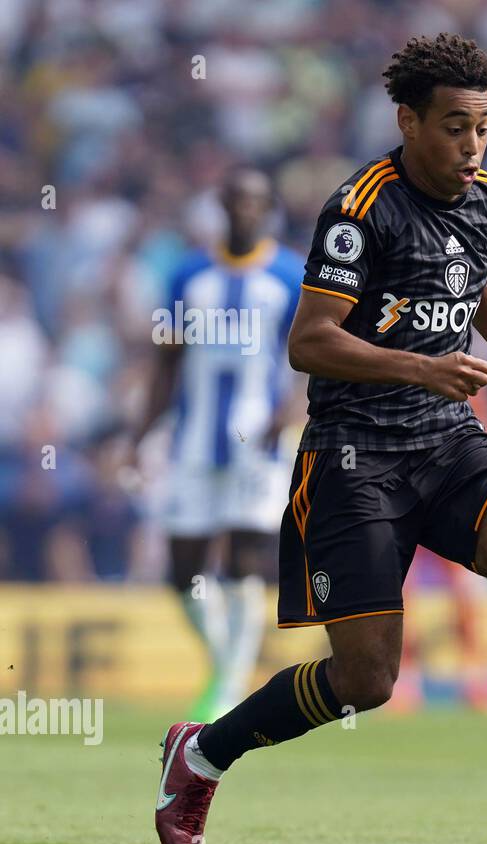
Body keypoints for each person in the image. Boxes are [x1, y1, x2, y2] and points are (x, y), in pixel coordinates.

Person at [154, 33, 487, 844]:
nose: (472, 145)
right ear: (407, 119)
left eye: (483, 127)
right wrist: (423, 364)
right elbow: (309, 343)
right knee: (366, 681)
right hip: (353, 456)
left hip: (445, 440)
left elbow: (472, 271)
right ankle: (200, 756)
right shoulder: (358, 208)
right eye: (454, 127)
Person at [132, 167, 300, 722]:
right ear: (222, 206)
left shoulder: (289, 275)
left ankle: (226, 691)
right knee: (182, 570)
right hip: (194, 444)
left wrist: (292, 409)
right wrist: (139, 433)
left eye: (255, 202)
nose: (244, 211)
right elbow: (166, 361)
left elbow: (312, 357)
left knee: (246, 561)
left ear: (268, 208)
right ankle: (225, 667)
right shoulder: (187, 277)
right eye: (235, 201)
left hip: (261, 442)